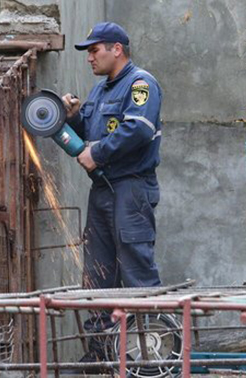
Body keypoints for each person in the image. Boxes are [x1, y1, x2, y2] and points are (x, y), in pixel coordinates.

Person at [62, 21, 163, 362]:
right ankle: (100, 354)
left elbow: (137, 130)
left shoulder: (140, 84)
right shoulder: (101, 91)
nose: (89, 57)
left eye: (94, 50)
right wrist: (75, 118)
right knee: (98, 273)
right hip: (103, 191)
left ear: (116, 49)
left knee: (136, 269)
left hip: (130, 188)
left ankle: (148, 355)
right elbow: (91, 131)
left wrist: (98, 153)